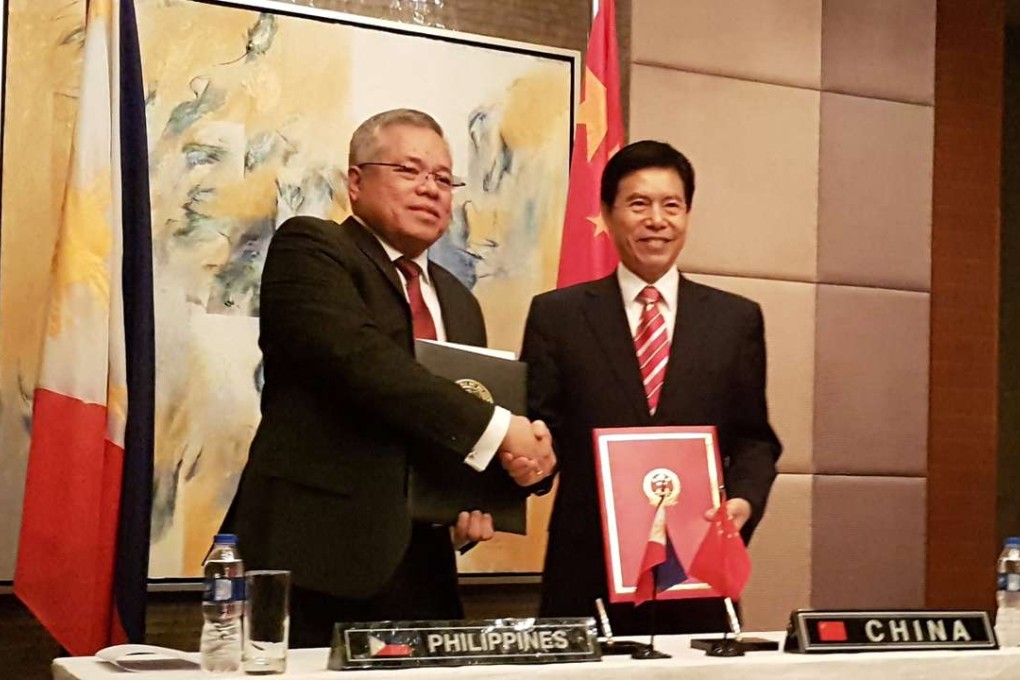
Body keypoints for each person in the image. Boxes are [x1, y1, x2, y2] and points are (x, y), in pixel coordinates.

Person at [229, 109, 555, 647]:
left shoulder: (458, 300)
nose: (431, 189)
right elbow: (363, 364)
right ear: (355, 181)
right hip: (312, 560)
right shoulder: (312, 249)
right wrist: (503, 432)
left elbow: (454, 412)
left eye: (443, 178)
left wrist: (511, 475)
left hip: (423, 574)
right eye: (409, 170)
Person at [521, 140, 781, 635]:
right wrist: (528, 461)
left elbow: (753, 438)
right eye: (638, 204)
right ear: (607, 213)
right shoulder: (557, 316)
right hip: (586, 572)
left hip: (696, 569)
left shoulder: (735, 320)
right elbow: (540, 430)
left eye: (671, 205)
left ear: (687, 214)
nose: (656, 220)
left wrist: (744, 500)